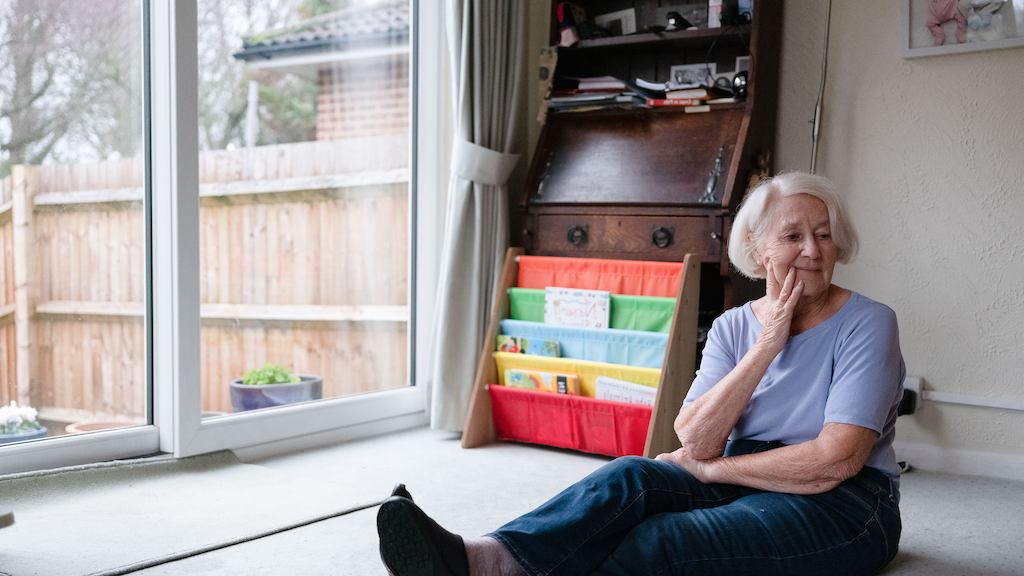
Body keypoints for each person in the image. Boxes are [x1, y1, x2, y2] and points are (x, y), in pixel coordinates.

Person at [377, 172, 905, 576]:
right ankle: (482, 560)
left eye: (824, 236)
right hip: (745, 471)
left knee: (663, 540)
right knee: (629, 478)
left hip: (849, 504)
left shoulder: (868, 323)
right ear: (759, 251)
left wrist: (713, 473)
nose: (813, 251)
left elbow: (835, 461)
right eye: (793, 236)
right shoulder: (732, 329)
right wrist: (767, 346)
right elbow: (696, 439)